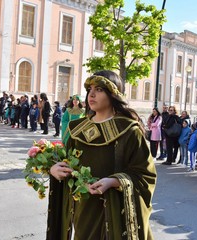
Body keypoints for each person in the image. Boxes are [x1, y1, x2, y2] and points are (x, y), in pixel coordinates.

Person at [47, 70, 156, 240]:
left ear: (114, 94)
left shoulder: (129, 130)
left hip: (113, 214)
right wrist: (54, 169)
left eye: (99, 89)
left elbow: (145, 175)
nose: (91, 94)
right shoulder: (77, 129)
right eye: (90, 89)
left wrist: (114, 181)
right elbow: (66, 161)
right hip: (82, 209)